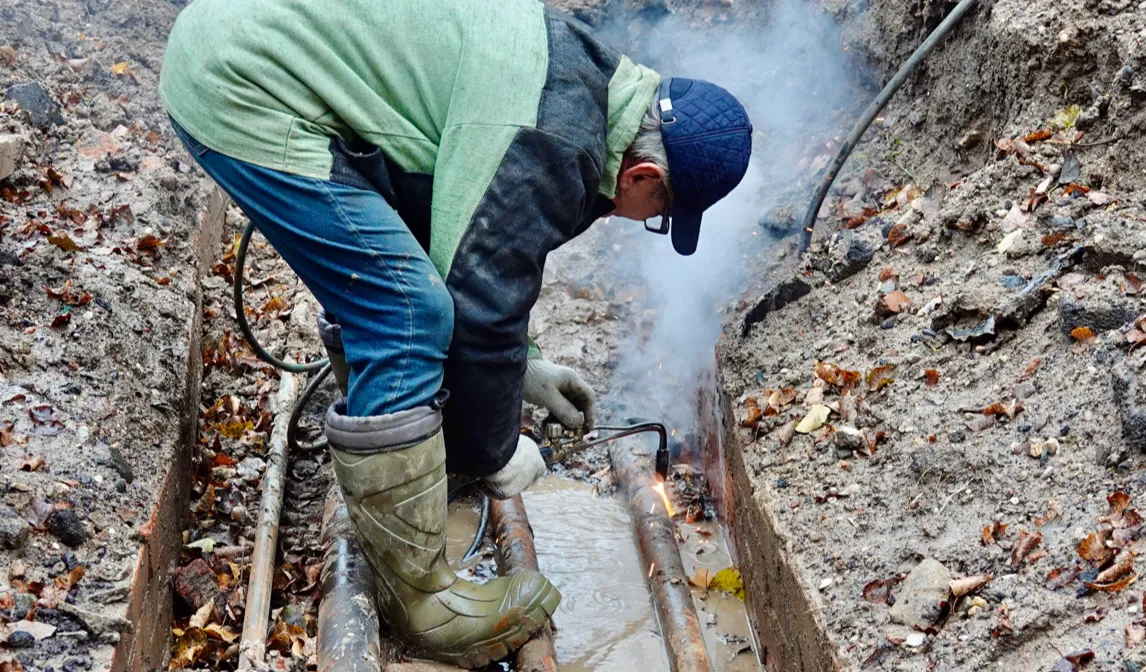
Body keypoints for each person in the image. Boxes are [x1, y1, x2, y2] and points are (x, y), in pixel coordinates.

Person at [159, 0, 752, 666]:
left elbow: (469, 232)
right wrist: (495, 452)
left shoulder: (592, 82)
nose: (634, 217)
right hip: (243, 83)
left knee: (399, 284)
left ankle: (398, 462)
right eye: (656, 213)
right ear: (646, 177)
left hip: (245, 43)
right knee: (406, 314)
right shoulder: (553, 138)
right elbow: (475, 300)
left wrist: (521, 368)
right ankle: (420, 600)